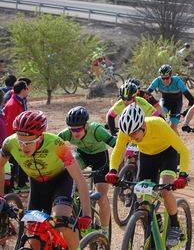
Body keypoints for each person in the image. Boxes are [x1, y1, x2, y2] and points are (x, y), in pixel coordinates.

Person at [0, 110, 91, 250]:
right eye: (20, 142)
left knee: (60, 222)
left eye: (29, 142)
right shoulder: (9, 143)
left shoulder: (56, 144)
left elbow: (79, 179)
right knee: (33, 236)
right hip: (38, 185)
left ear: (40, 136)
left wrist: (86, 214)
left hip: (61, 180)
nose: (24, 147)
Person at [105, 104, 190, 247]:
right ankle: (152, 224)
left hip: (167, 154)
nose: (131, 137)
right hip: (147, 156)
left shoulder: (158, 124)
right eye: (129, 135)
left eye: (134, 133)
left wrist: (183, 174)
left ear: (143, 125)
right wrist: (113, 170)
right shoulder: (126, 131)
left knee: (164, 190)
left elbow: (183, 149)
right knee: (141, 196)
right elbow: (118, 151)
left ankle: (175, 226)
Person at [58, 106, 115, 237]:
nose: (75, 132)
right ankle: (78, 203)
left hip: (100, 158)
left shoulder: (97, 130)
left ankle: (105, 230)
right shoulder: (66, 133)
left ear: (86, 125)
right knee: (68, 170)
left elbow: (116, 144)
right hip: (82, 155)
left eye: (78, 129)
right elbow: (51, 144)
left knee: (101, 195)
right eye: (72, 129)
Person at [147, 64, 194, 134]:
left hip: (176, 103)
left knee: (173, 127)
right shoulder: (157, 81)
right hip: (165, 102)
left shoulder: (177, 81)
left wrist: (187, 110)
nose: (165, 80)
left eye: (167, 78)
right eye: (163, 78)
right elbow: (146, 94)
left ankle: (177, 144)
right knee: (160, 119)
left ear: (171, 75)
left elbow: (191, 99)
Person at [3, 80, 30, 192]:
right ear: (23, 90)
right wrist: (16, 139)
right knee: (14, 162)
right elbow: (10, 125)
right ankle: (14, 187)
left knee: (18, 161)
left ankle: (20, 184)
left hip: (18, 137)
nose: (28, 90)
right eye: (27, 88)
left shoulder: (19, 101)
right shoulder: (13, 104)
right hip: (14, 138)